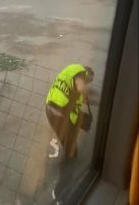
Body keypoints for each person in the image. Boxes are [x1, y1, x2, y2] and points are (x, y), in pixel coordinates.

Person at [46, 64, 94, 204]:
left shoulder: (72, 70)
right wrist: (85, 92)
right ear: (88, 74)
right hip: (58, 114)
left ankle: (67, 154)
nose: (88, 83)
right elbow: (80, 87)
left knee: (69, 145)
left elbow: (74, 102)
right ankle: (60, 192)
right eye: (89, 81)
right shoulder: (81, 73)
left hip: (51, 108)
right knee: (71, 154)